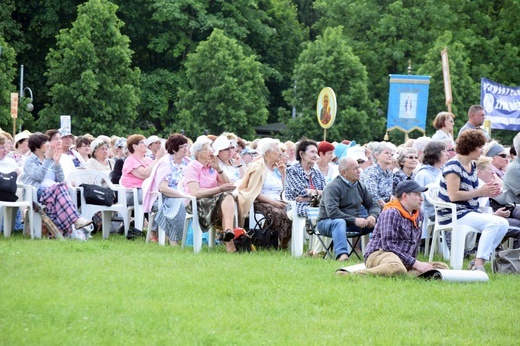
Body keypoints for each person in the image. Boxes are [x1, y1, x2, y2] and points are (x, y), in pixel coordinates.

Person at [337, 180, 449, 276]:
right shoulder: (391, 212)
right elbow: (388, 245)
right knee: (397, 268)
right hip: (380, 254)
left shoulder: (419, 214)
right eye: (417, 194)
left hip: (403, 259)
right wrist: (416, 264)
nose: (422, 199)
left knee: (441, 267)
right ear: (405, 196)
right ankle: (354, 275)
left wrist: (413, 263)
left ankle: (406, 273)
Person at [438, 130, 508, 272]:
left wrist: (487, 192)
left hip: (469, 211)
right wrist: (480, 192)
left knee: (503, 223)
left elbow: (472, 193)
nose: (482, 150)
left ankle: (477, 259)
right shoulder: (453, 166)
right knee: (493, 222)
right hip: (454, 213)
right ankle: (479, 264)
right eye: (479, 147)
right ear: (470, 147)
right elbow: (454, 196)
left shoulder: (473, 165)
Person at [21, 132, 92, 238]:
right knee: (60, 188)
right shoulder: (30, 161)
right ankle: (76, 220)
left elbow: (60, 178)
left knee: (61, 187)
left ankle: (68, 228)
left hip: (54, 191)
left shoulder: (48, 159)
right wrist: (48, 160)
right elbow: (38, 177)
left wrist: (57, 163)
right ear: (37, 146)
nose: (49, 145)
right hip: (37, 192)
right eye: (45, 143)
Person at [316, 158, 380, 261]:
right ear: (344, 172)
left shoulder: (360, 186)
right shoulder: (333, 187)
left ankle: (378, 253)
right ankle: (342, 255)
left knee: (381, 221)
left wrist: (373, 216)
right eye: (355, 169)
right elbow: (333, 213)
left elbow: (373, 204)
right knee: (339, 222)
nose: (359, 171)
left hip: (351, 223)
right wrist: (355, 220)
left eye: (358, 167)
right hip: (326, 223)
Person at [183, 136, 238, 253]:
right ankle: (229, 243)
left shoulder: (212, 166)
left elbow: (227, 184)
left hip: (214, 200)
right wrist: (219, 189)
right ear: (198, 153)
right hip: (197, 202)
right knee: (226, 198)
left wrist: (218, 168)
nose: (211, 151)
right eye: (208, 148)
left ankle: (228, 231)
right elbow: (196, 192)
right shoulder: (192, 167)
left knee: (228, 196)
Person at [237, 138, 290, 248]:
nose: (280, 152)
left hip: (278, 201)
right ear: (268, 153)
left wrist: (283, 174)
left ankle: (283, 244)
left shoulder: (277, 168)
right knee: (281, 214)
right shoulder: (258, 167)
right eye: (277, 149)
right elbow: (254, 192)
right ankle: (275, 243)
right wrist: (273, 203)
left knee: (293, 212)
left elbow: (284, 190)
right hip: (260, 202)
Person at [143, 134, 191, 245]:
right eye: (183, 146)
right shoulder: (166, 163)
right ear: (174, 149)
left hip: (186, 194)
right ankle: (175, 239)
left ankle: (191, 239)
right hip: (166, 197)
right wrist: (183, 195)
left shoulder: (188, 162)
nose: (186, 149)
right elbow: (163, 188)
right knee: (182, 204)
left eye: (186, 146)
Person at [285, 139, 326, 219]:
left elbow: (326, 192)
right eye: (312, 152)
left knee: (333, 212)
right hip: (298, 207)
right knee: (323, 213)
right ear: (301, 154)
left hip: (317, 205)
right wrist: (318, 193)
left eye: (316, 153)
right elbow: (301, 192)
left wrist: (307, 198)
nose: (315, 155)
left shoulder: (317, 173)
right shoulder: (292, 171)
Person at [121, 134, 165, 205]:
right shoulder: (130, 160)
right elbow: (144, 174)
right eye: (142, 142)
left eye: (145, 142)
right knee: (161, 204)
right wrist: (157, 159)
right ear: (134, 146)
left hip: (148, 190)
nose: (145, 144)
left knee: (168, 198)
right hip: (134, 193)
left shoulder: (148, 160)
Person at [360, 141, 394, 208]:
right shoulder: (371, 171)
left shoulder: (389, 173)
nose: (390, 155)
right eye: (386, 153)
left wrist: (391, 197)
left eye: (391, 154)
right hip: (371, 208)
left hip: (386, 206)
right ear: (376, 155)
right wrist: (387, 208)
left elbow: (389, 193)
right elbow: (372, 195)